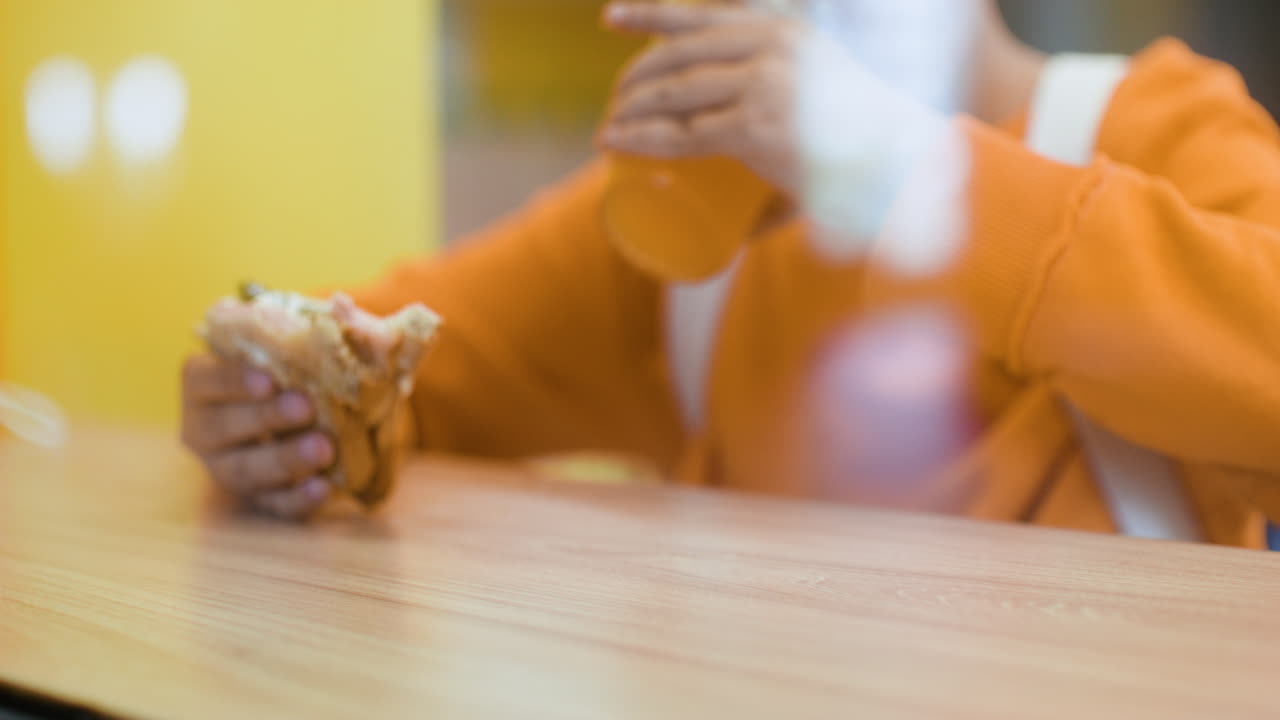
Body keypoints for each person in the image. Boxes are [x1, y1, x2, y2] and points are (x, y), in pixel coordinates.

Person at [181, 0, 1280, 549]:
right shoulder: (691, 246)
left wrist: (905, 169)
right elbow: (407, 361)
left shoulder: (1145, 124)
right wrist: (291, 413)